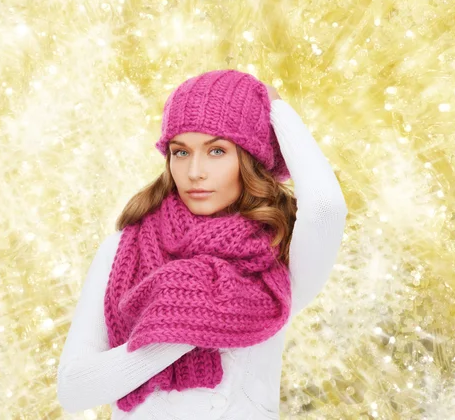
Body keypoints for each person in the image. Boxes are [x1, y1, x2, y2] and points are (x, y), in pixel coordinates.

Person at [57, 69, 348, 418]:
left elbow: (327, 206)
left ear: (251, 159)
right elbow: (73, 389)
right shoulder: (122, 248)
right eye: (181, 152)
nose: (195, 171)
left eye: (217, 151)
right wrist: (182, 326)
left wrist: (277, 110)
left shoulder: (278, 253)